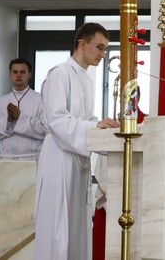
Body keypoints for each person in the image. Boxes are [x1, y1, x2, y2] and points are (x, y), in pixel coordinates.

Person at [34, 23, 119, 260]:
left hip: (78, 158)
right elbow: (57, 120)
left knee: (77, 224)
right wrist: (94, 126)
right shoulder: (58, 74)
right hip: (59, 157)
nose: (103, 54)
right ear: (82, 44)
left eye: (105, 49)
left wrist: (106, 129)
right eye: (99, 47)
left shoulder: (87, 79)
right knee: (57, 226)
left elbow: (86, 119)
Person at [92, 85, 146, 260]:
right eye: (125, 97)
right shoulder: (109, 124)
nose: (129, 100)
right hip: (112, 190)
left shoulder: (146, 123)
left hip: (137, 189)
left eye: (132, 96)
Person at [0, 58, 46, 162]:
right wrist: (8, 121)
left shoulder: (40, 100)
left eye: (23, 72)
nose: (18, 75)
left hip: (32, 159)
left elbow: (45, 129)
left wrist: (20, 117)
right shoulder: (1, 101)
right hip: (6, 158)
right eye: (15, 72)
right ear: (10, 74)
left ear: (29, 74)